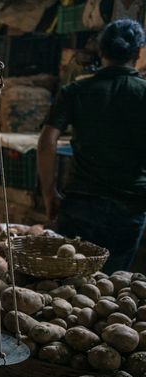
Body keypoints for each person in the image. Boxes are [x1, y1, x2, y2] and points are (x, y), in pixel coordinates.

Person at [38, 19, 146, 273]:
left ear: (101, 51)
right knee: (111, 289)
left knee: (68, 287)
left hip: (81, 202)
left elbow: (46, 142)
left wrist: (49, 193)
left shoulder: (75, 90)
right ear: (138, 53)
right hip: (130, 206)